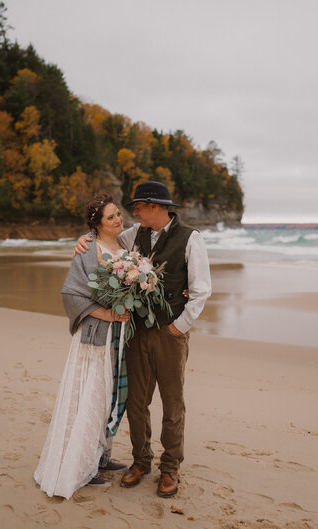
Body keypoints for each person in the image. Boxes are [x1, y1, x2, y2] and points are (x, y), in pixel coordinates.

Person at [74, 181, 211, 498]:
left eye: (138, 207)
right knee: (136, 402)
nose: (132, 213)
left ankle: (170, 468)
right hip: (135, 332)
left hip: (170, 334)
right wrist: (83, 240)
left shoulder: (191, 238)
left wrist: (179, 326)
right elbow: (103, 240)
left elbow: (201, 290)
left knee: (173, 404)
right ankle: (141, 461)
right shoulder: (133, 235)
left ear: (156, 207)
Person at [34, 194, 130, 499]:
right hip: (95, 335)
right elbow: (71, 293)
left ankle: (101, 455)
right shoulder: (89, 249)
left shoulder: (125, 245)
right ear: (97, 224)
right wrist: (105, 313)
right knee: (92, 397)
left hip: (120, 334)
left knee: (110, 396)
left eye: (118, 214)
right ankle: (83, 467)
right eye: (111, 217)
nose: (119, 220)